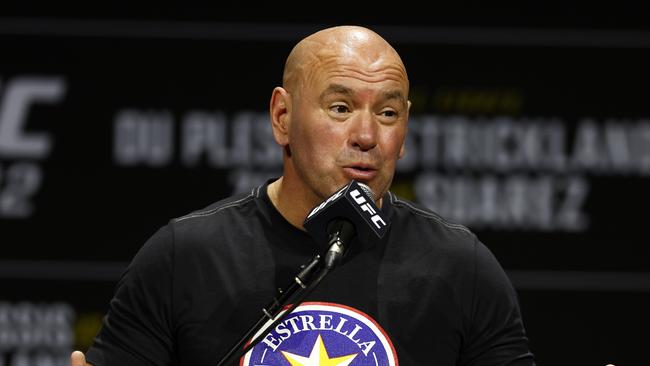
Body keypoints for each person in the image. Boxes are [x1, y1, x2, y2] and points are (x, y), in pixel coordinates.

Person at [71, 25, 535, 365]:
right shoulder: (184, 257)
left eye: (389, 113)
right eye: (340, 107)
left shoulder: (461, 267)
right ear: (282, 117)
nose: (368, 135)